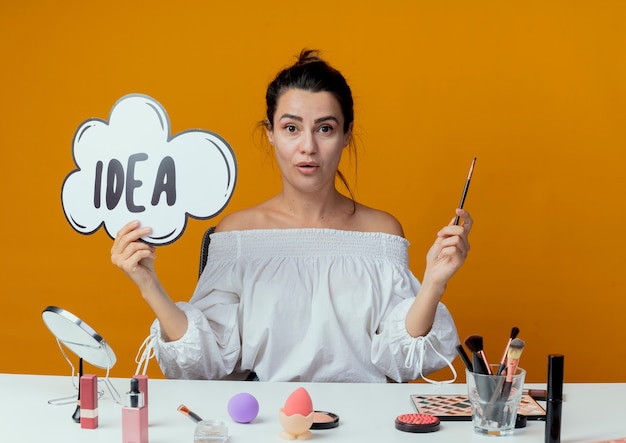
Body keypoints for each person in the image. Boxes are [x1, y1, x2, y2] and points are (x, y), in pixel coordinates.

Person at [111, 49, 472, 383]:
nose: (308, 147)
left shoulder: (381, 232)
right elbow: (205, 362)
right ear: (270, 133)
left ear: (347, 135)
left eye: (325, 129)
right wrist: (148, 284)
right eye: (291, 128)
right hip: (265, 424)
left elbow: (401, 360)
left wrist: (434, 283)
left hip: (365, 423)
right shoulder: (237, 234)